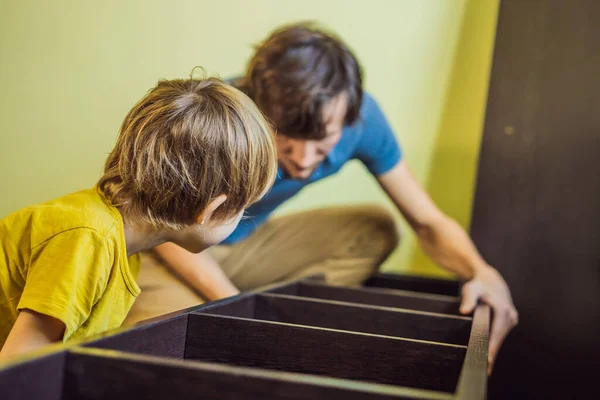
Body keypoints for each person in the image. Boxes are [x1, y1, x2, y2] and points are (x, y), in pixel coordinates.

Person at [132, 24, 518, 375]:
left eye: (321, 144)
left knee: (374, 228)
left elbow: (427, 222)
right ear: (256, 107)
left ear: (349, 117)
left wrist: (480, 272)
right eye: (286, 139)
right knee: (163, 349)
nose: (302, 160)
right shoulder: (223, 119)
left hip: (243, 245)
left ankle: (271, 315)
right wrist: (236, 307)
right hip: (174, 249)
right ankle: (231, 313)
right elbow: (168, 228)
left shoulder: (363, 119)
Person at [0, 76, 277, 361]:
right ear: (209, 210)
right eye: (243, 208)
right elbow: (17, 365)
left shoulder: (118, 242)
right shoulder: (89, 240)